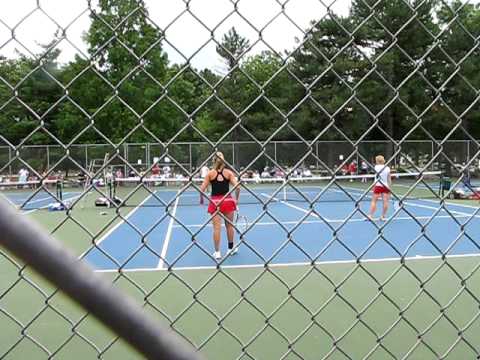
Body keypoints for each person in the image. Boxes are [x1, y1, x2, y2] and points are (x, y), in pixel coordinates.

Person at [200, 152, 240, 260]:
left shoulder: (210, 174)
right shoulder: (229, 173)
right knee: (229, 226)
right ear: (224, 161)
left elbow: (202, 189)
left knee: (216, 228)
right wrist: (236, 200)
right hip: (228, 201)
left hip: (215, 202)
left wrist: (202, 200)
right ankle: (230, 249)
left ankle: (217, 253)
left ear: (213, 161)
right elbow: (238, 188)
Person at [367, 155, 391, 221]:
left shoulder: (376, 167)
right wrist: (389, 187)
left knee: (374, 201)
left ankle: (370, 215)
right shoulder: (387, 168)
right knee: (385, 201)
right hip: (385, 186)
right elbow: (389, 179)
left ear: (377, 161)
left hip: (378, 186)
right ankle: (383, 216)